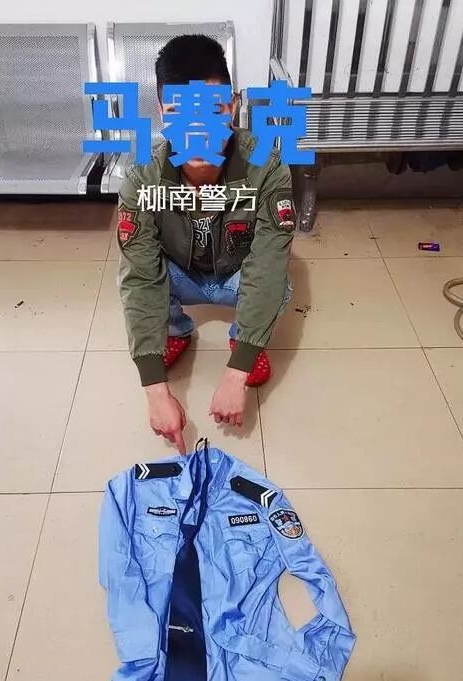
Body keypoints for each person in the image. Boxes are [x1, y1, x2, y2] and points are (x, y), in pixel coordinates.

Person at [117, 34, 295, 455]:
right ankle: (176, 330)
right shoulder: (142, 177)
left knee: (279, 284)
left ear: (231, 107)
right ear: (162, 112)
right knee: (138, 274)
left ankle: (242, 336)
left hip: (237, 273)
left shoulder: (267, 168)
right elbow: (141, 278)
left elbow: (267, 267)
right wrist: (155, 391)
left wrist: (237, 371)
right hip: (180, 274)